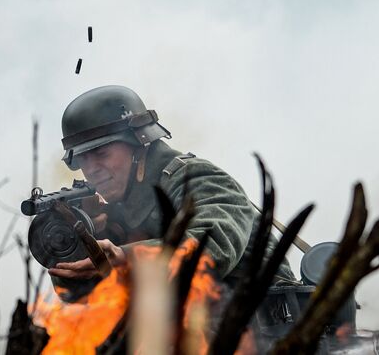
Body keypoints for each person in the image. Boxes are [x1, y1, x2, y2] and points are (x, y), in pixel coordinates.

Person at [48, 85, 294, 290]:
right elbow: (80, 300)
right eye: (82, 160)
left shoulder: (194, 178)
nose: (91, 169)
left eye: (101, 153)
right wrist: (82, 244)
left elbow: (211, 248)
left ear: (138, 143)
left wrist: (125, 257)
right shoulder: (120, 208)